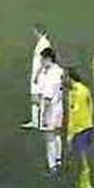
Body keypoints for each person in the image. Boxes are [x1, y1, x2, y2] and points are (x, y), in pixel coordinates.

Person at [66, 69, 94, 188]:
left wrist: (70, 134)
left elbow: (75, 115)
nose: (63, 80)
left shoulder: (77, 93)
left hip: (80, 130)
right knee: (83, 157)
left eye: (64, 77)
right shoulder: (82, 89)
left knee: (81, 159)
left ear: (70, 78)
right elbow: (90, 107)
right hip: (87, 126)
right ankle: (87, 184)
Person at [38, 47, 64, 177]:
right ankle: (58, 159)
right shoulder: (58, 70)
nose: (41, 62)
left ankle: (52, 165)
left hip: (50, 108)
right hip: (58, 106)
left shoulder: (51, 74)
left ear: (48, 59)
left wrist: (44, 115)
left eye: (42, 59)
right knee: (57, 133)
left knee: (48, 137)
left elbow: (47, 97)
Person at [21, 23, 52, 129]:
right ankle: (36, 120)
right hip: (38, 73)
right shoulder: (41, 42)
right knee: (35, 97)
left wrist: (37, 74)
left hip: (40, 75)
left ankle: (41, 120)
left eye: (34, 31)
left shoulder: (44, 43)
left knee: (38, 96)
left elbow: (45, 60)